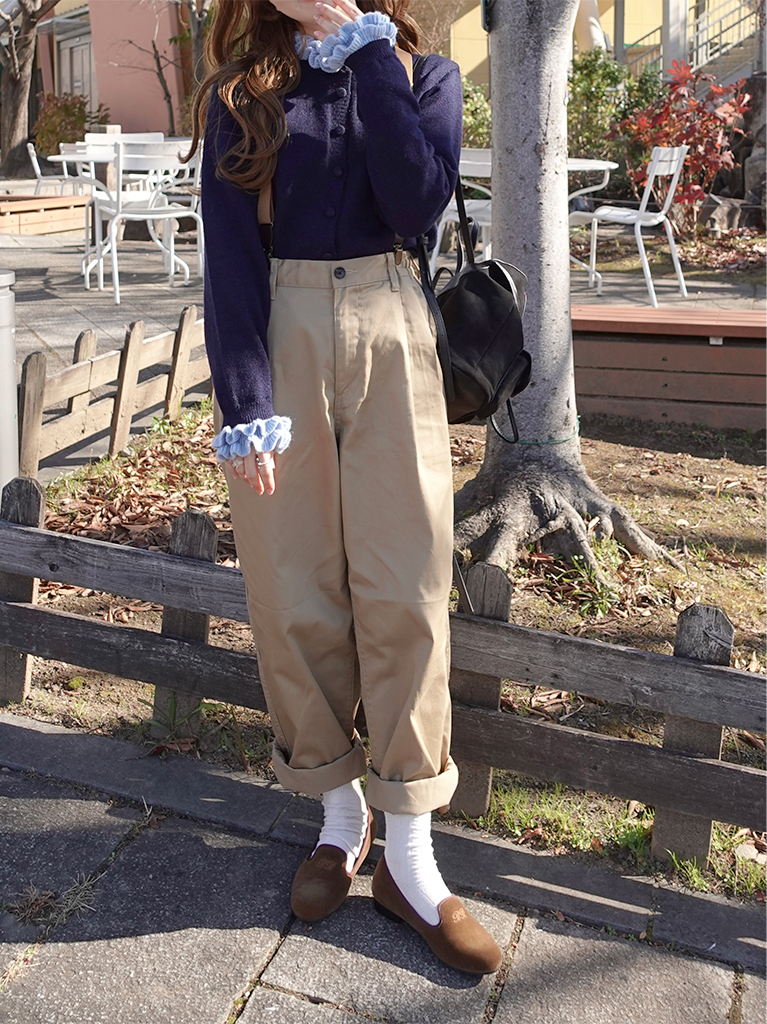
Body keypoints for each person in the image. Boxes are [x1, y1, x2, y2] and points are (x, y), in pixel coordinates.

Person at [189, 0, 501, 975]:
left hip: (389, 327)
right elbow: (228, 258)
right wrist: (244, 399)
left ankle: (410, 855)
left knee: (407, 584)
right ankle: (336, 812)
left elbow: (415, 205)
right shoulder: (240, 91)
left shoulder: (419, 73)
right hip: (279, 335)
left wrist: (366, 52)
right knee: (291, 588)